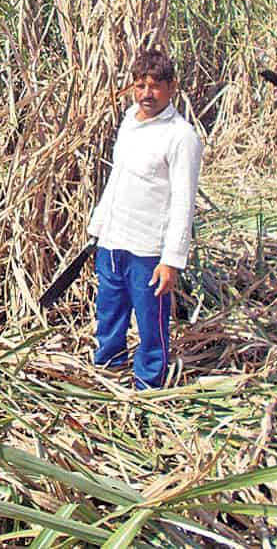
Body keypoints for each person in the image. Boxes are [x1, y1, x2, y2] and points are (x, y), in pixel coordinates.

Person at [86, 49, 203, 390]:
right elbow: (117, 178)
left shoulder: (181, 136)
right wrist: (98, 228)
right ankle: (108, 370)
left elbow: (184, 201)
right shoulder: (128, 122)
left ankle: (148, 386)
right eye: (140, 85)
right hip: (113, 240)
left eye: (155, 86)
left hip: (149, 247)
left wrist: (171, 261)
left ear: (172, 88)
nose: (146, 94)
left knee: (152, 324)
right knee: (108, 313)